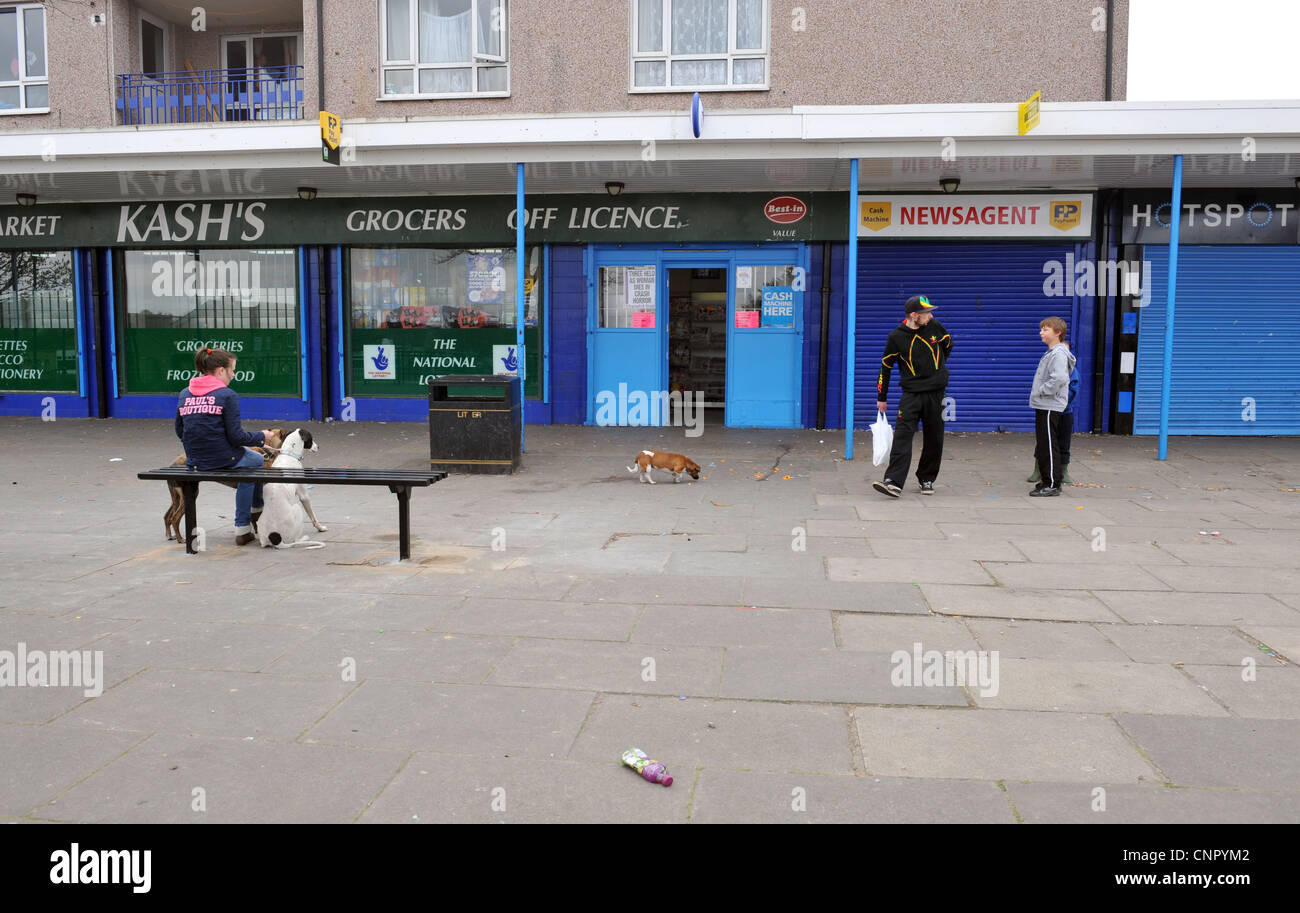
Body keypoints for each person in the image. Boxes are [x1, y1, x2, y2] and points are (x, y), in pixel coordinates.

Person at [175, 347, 273, 545]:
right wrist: (262, 437)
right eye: (232, 370)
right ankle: (245, 525)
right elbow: (237, 437)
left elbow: (180, 430)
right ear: (221, 371)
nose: (233, 375)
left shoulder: (185, 393)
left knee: (249, 458)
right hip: (223, 458)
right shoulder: (227, 395)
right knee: (255, 460)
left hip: (194, 460)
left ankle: (253, 515)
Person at [872, 294, 953, 497]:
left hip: (936, 393)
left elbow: (948, 345)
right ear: (914, 315)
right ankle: (893, 481)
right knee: (902, 436)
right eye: (926, 313)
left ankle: (926, 478)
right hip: (911, 394)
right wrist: (882, 397)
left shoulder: (936, 327)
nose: (931, 315)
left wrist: (938, 370)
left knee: (935, 438)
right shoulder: (896, 337)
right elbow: (886, 367)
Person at [1028, 317, 1077, 497]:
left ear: (1058, 333)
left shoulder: (1058, 354)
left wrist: (1042, 391)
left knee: (1048, 444)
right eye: (1041, 329)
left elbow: (1059, 378)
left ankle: (1052, 484)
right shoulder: (1052, 352)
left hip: (1049, 403)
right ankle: (1047, 480)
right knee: (1044, 443)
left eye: (1046, 329)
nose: (1041, 332)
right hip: (1045, 403)